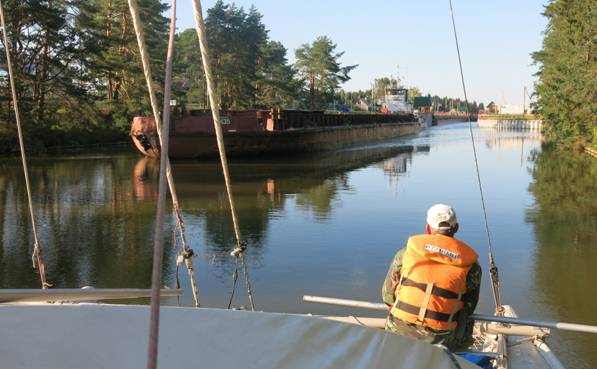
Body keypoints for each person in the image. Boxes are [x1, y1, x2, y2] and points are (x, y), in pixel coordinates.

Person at [381, 204, 481, 350]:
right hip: (442, 337)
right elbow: (470, 306)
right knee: (467, 325)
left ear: (427, 228)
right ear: (456, 228)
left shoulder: (405, 253)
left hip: (400, 326)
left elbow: (387, 296)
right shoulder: (471, 265)